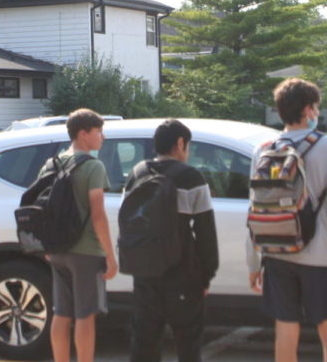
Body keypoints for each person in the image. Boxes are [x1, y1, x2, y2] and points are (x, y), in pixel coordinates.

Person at [247, 78, 327, 362]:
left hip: (276, 253)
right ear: (308, 109)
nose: (317, 112)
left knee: (286, 328)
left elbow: (255, 208)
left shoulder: (264, 149)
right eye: (316, 107)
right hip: (318, 256)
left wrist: (254, 263)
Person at [123, 119, 219, 362]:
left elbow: (127, 222)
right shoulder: (192, 177)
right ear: (180, 143)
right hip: (183, 273)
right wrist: (207, 274)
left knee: (144, 343)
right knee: (188, 344)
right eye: (188, 146)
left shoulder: (137, 174)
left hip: (144, 272)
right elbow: (205, 231)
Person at [42, 108, 117, 362]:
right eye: (98, 132)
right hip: (86, 251)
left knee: (61, 313)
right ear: (83, 134)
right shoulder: (93, 167)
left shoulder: (51, 164)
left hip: (57, 249)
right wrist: (110, 254)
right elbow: (98, 214)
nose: (102, 137)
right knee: (86, 314)